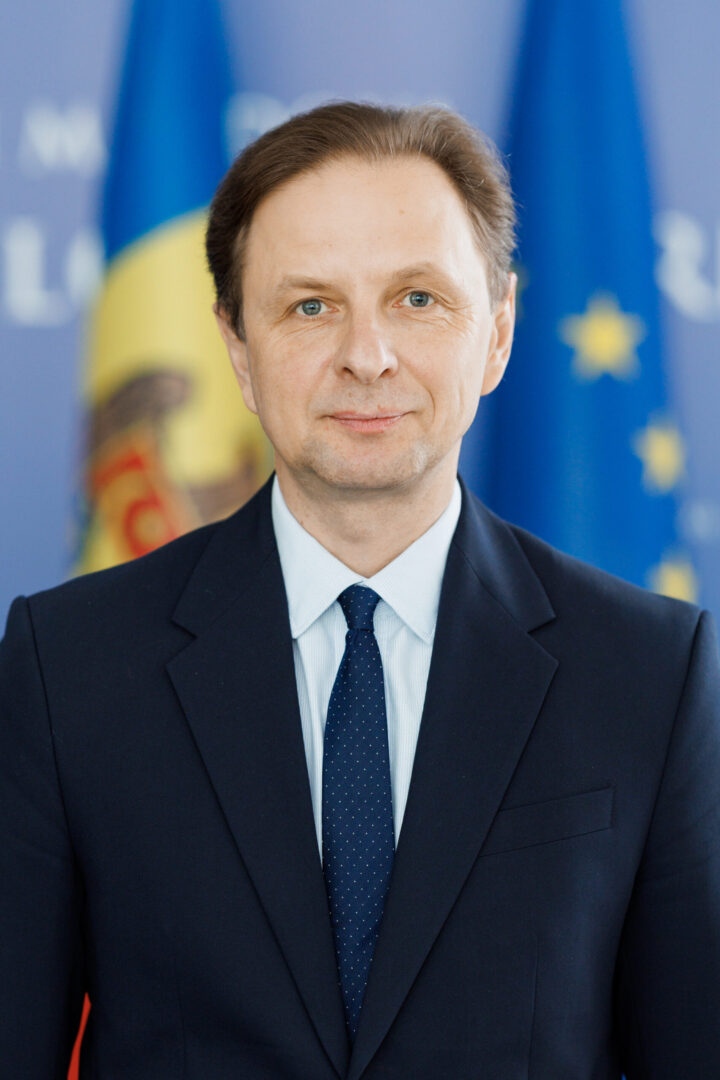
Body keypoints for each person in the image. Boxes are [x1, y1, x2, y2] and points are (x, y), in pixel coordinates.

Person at [1, 101, 719, 1080]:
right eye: (311, 306)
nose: (367, 355)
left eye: (418, 299)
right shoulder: (69, 667)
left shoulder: (650, 673)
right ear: (238, 348)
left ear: (498, 333)